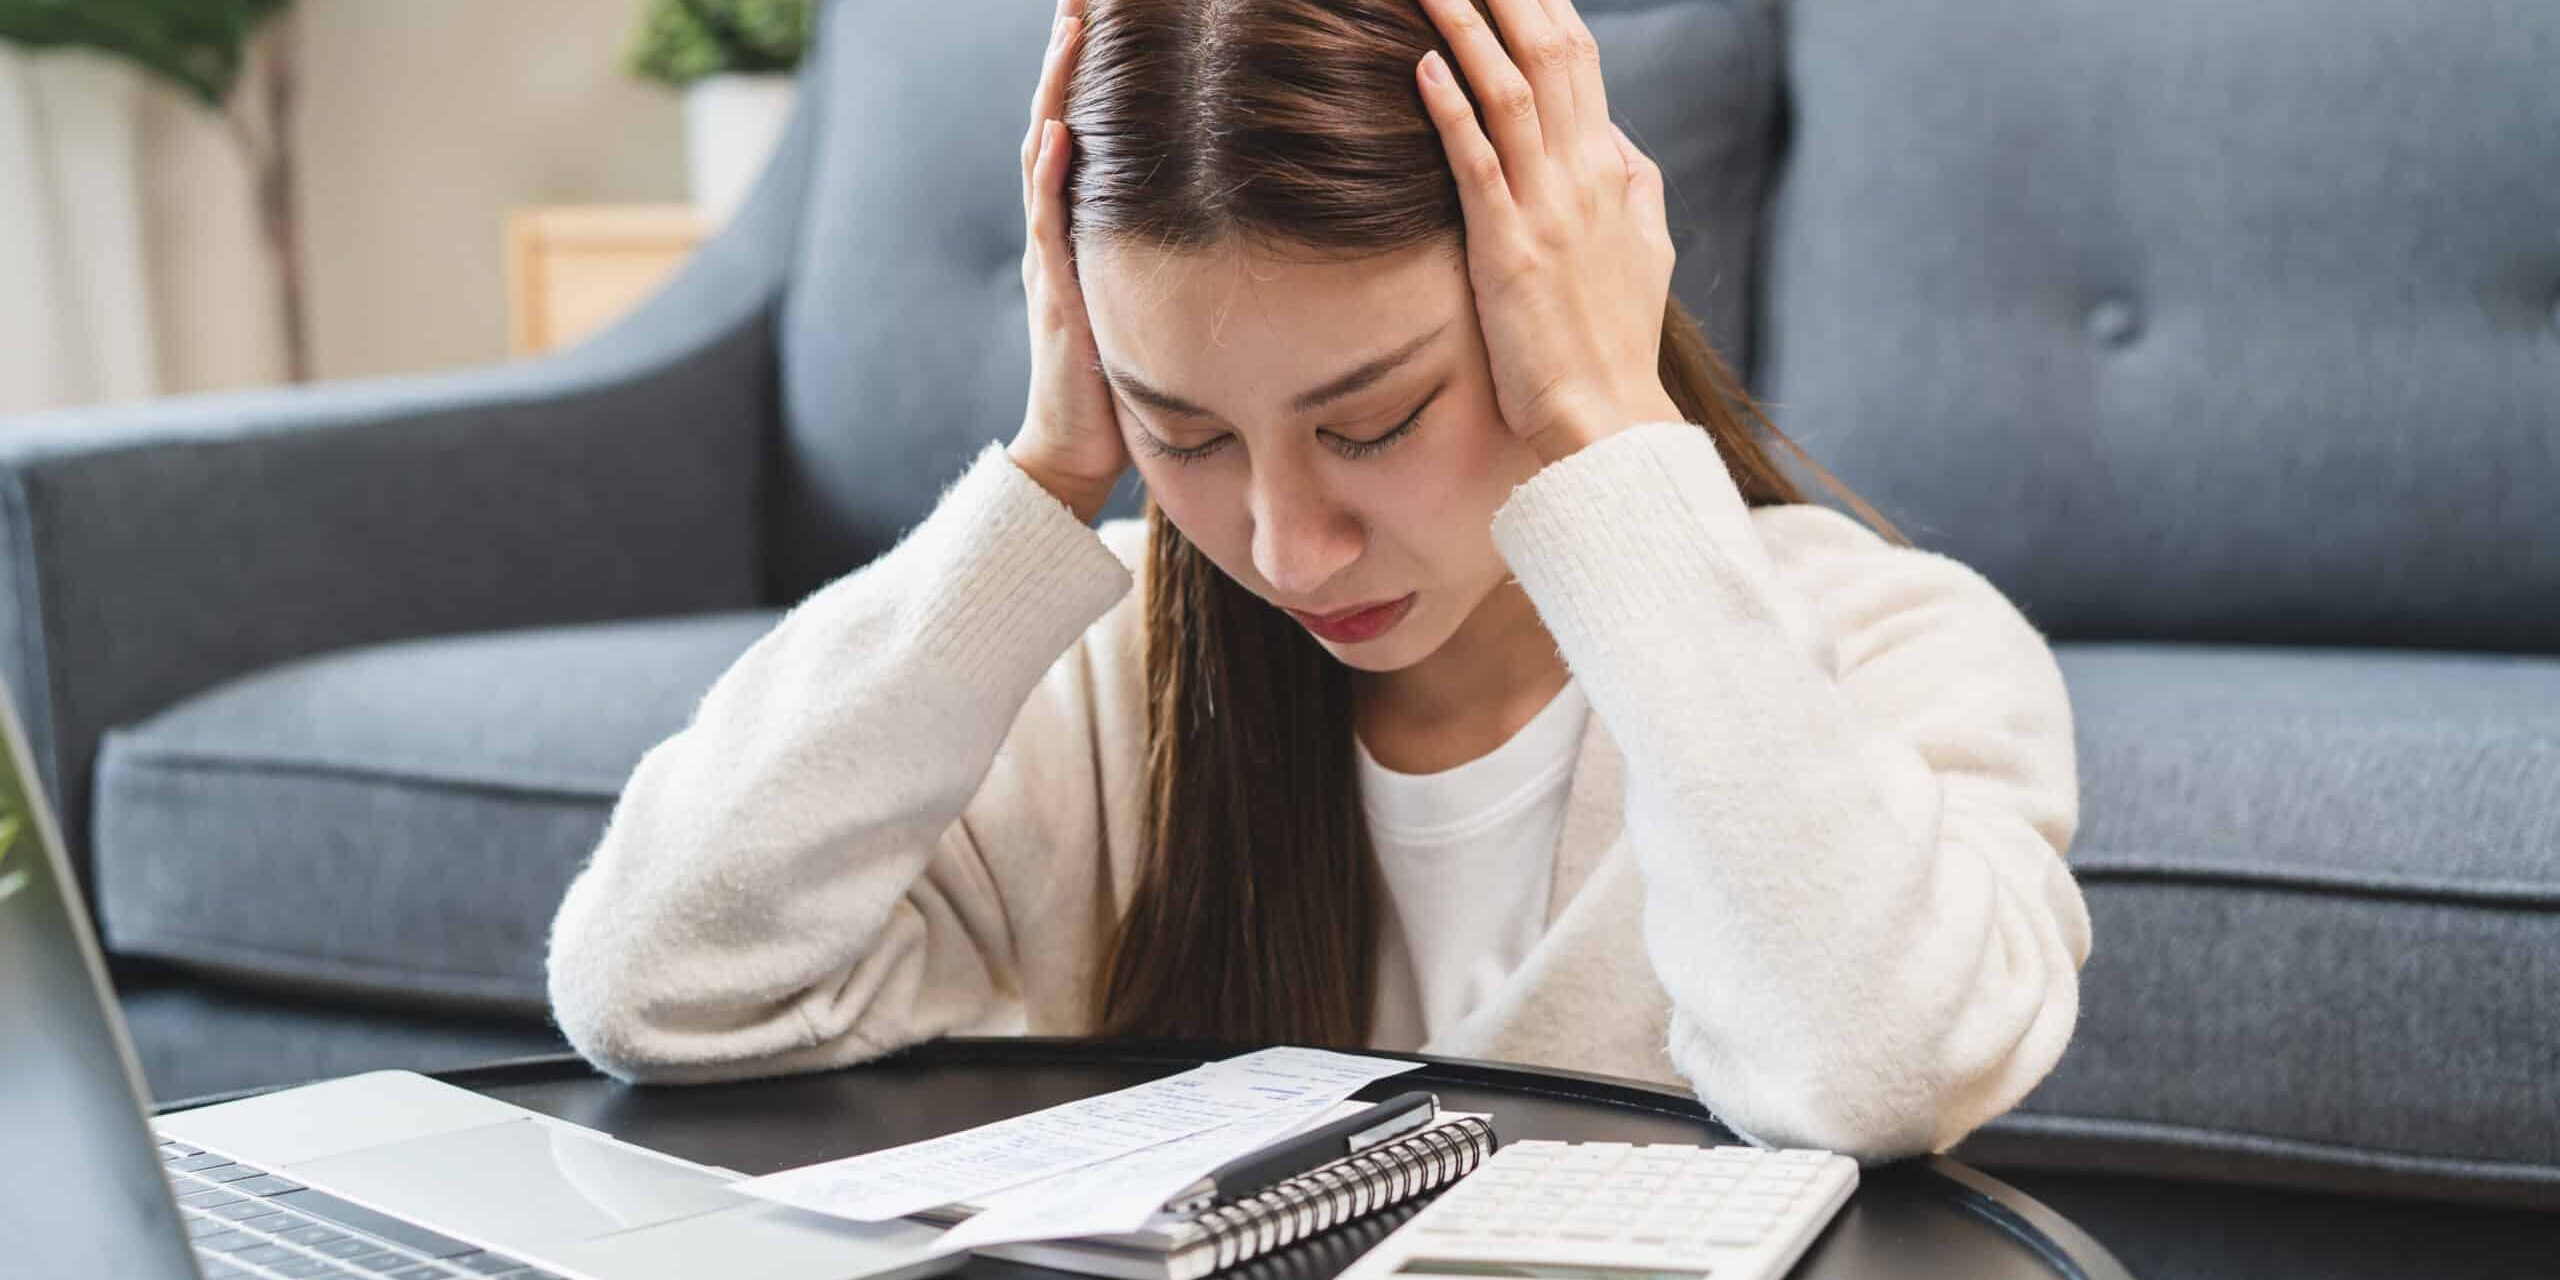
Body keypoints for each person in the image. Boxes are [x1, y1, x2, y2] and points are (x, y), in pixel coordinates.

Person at [546, 0, 2091, 1164]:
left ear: (1556, 307)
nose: (1285, 550)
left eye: (1374, 422)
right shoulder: (1107, 686)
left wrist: (1612, 428)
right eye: (1187, 432)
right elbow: (655, 983)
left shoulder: (1891, 648)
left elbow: (1874, 1070)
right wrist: (1051, 476)